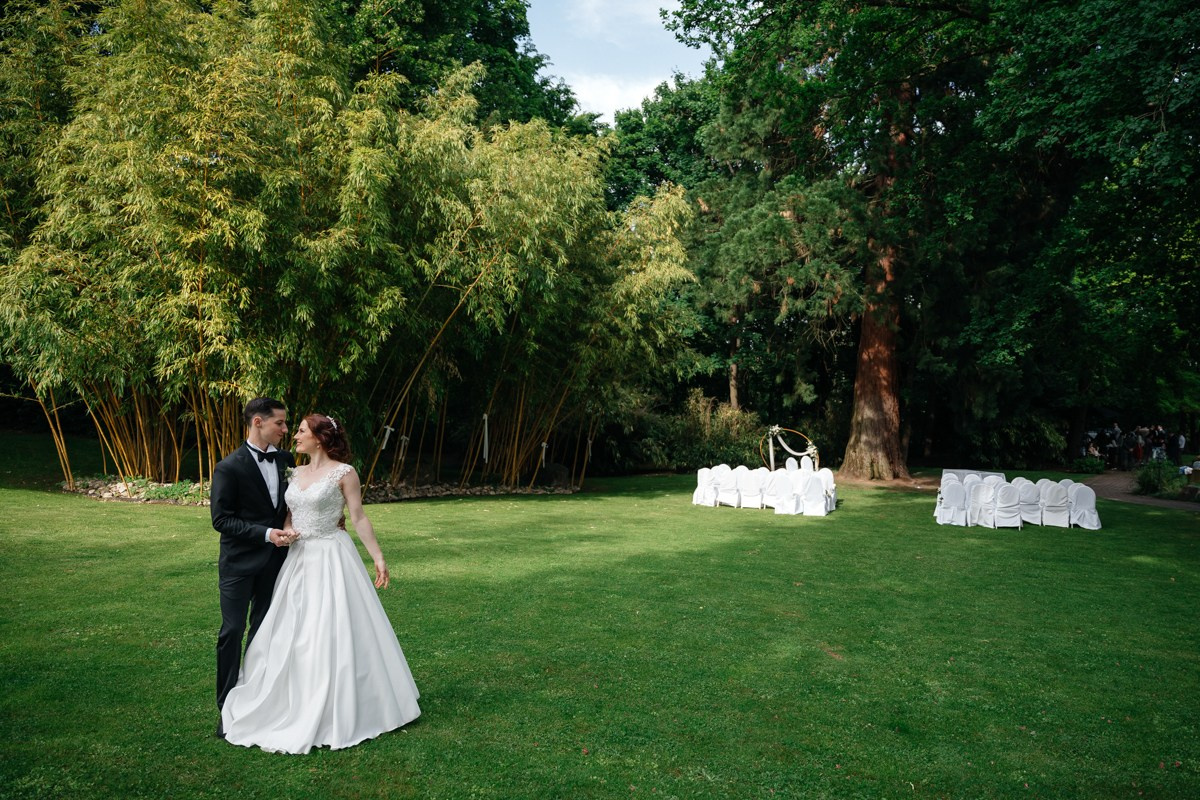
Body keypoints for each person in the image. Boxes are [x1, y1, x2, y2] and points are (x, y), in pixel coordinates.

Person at [220, 413, 421, 754]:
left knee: (329, 627)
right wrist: (287, 530)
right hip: (297, 557)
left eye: (300, 431)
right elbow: (289, 513)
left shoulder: (345, 473)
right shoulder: (293, 471)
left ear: (320, 437)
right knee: (291, 628)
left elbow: (357, 516)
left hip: (331, 556)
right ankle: (289, 694)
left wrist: (378, 556)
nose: (293, 435)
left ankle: (340, 698)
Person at [210, 397, 296, 738]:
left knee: (263, 631)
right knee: (232, 631)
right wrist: (265, 534)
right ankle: (225, 706)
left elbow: (292, 505)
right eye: (280, 423)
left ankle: (256, 699)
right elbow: (221, 520)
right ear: (258, 422)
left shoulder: (286, 460)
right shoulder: (228, 467)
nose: (286, 429)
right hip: (239, 563)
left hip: (276, 562)